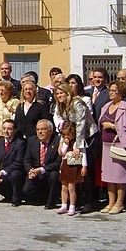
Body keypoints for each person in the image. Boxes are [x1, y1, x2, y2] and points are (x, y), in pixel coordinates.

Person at [54, 83, 99, 214]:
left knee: (85, 170)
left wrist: (78, 146)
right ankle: (74, 201)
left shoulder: (77, 103)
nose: (59, 96)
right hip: (73, 136)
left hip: (88, 136)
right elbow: (65, 125)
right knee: (73, 170)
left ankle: (89, 201)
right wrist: (62, 142)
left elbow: (81, 124)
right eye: (57, 93)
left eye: (61, 93)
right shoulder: (62, 106)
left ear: (68, 93)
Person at [98, 81, 126, 214]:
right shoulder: (106, 106)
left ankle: (120, 202)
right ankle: (110, 202)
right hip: (106, 144)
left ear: (121, 92)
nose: (111, 93)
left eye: (114, 90)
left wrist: (112, 126)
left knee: (120, 176)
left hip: (119, 144)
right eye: (110, 90)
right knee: (108, 176)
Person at [22, 119, 61, 209]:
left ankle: (51, 202)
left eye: (43, 129)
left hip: (49, 171)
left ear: (50, 131)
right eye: (38, 129)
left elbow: (58, 163)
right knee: (26, 190)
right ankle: (42, 198)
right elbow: (27, 160)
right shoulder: (32, 141)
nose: (40, 132)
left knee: (54, 175)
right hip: (36, 172)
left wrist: (41, 170)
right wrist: (30, 170)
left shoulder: (57, 141)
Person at [0, 119, 26, 205]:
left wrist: (1, 173)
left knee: (15, 175)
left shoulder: (20, 143)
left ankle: (17, 198)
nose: (6, 131)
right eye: (4, 128)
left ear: (14, 130)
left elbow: (18, 162)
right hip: (4, 173)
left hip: (16, 171)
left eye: (9, 129)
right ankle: (9, 196)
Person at [57, 121, 87, 216]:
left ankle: (72, 206)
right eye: (64, 135)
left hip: (74, 166)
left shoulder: (78, 142)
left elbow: (84, 153)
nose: (67, 137)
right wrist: (65, 144)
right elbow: (62, 153)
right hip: (65, 164)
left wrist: (84, 166)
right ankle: (64, 205)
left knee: (71, 187)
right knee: (64, 187)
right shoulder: (64, 141)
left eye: (68, 135)